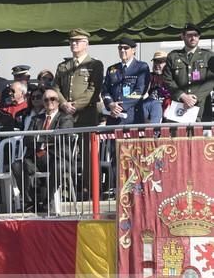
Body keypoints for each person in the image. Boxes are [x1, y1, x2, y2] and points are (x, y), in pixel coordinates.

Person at [53, 29, 103, 192]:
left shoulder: (94, 64)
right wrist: (64, 104)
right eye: (72, 41)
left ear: (86, 44)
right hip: (66, 116)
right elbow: (56, 87)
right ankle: (68, 189)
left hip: (86, 114)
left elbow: (93, 90)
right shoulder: (63, 66)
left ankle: (91, 189)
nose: (74, 44)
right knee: (65, 152)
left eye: (78, 41)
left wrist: (76, 105)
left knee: (88, 154)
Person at [11, 88, 73, 213]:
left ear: (58, 101)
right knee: (17, 165)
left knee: (58, 166)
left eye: (53, 99)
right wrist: (44, 140)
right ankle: (29, 202)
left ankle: (47, 201)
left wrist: (39, 138)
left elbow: (61, 136)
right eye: (46, 99)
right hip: (36, 157)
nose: (49, 102)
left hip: (56, 156)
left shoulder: (65, 118)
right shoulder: (36, 119)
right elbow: (27, 138)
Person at [162, 23, 214, 122]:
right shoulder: (173, 56)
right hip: (179, 106)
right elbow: (167, 79)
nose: (193, 38)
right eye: (190, 35)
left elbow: (211, 81)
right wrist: (182, 96)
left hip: (201, 107)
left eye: (196, 35)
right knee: (178, 136)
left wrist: (195, 98)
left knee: (201, 136)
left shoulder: (208, 56)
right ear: (182, 36)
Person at [101, 38, 150, 125]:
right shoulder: (112, 69)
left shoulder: (141, 67)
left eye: (126, 48)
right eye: (120, 48)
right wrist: (111, 104)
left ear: (133, 50)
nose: (122, 50)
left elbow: (140, 91)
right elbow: (105, 91)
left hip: (132, 117)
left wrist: (120, 106)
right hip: (113, 117)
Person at [142, 51, 171, 123]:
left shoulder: (172, 77)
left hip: (167, 109)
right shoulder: (148, 76)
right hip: (151, 109)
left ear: (167, 64)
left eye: (160, 62)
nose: (157, 65)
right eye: (155, 62)